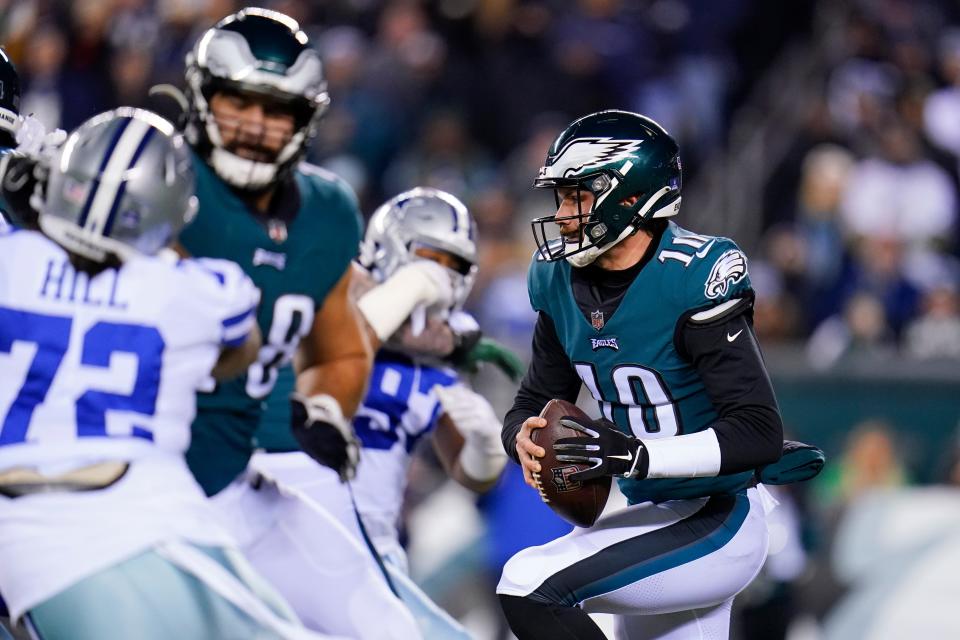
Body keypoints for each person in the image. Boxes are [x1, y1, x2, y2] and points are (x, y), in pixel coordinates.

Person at [0, 107, 331, 639]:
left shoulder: (10, 260)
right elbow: (242, 348)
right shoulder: (191, 290)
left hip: (20, 543)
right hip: (138, 516)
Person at [173, 8, 427, 638]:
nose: (257, 127)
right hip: (135, 477)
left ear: (306, 118)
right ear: (203, 97)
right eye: (239, 103)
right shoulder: (159, 179)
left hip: (231, 477)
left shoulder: (326, 210)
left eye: (277, 109)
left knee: (386, 628)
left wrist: (323, 409)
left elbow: (337, 352)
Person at [496, 110, 786, 640]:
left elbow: (758, 431)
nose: (561, 214)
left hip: (714, 514)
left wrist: (636, 455)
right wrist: (523, 439)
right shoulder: (557, 279)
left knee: (528, 583)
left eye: (576, 197)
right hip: (638, 512)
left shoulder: (692, 274)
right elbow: (535, 399)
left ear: (630, 197)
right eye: (560, 197)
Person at [344, 187, 512, 638]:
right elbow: (346, 342)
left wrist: (485, 447)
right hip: (292, 522)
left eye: (452, 266)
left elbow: (471, 473)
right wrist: (410, 286)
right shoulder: (336, 297)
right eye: (428, 258)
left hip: (376, 550)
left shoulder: (434, 362)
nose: (439, 277)